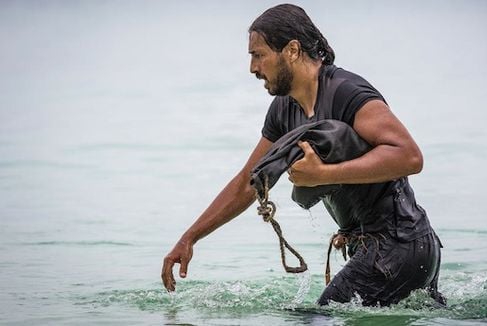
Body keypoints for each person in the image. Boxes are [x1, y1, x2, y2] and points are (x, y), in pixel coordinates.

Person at [162, 3, 445, 307]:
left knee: (315, 318)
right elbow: (250, 180)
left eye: (259, 55)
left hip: (399, 244)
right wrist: (190, 237)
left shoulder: (345, 92)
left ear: (292, 50)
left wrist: (324, 175)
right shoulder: (284, 110)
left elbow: (409, 156)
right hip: (382, 249)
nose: (253, 68)